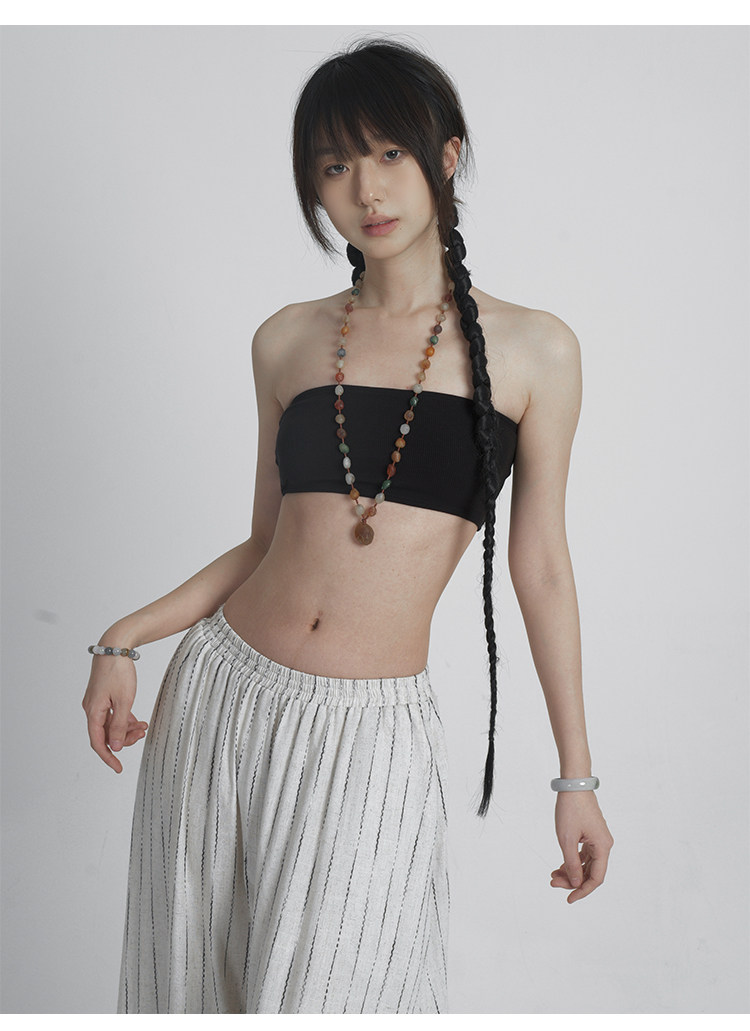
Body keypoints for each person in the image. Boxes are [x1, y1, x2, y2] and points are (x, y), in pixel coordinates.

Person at [82, 37, 613, 1015]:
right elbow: (264, 543)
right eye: (334, 165)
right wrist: (124, 637)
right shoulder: (286, 339)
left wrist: (574, 776)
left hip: (370, 733)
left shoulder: (536, 350)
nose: (366, 188)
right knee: (188, 991)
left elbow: (540, 568)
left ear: (446, 156)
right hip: (220, 698)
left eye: (389, 153)